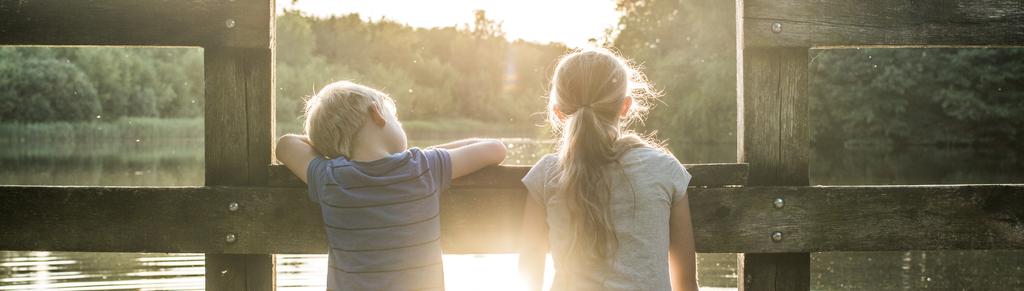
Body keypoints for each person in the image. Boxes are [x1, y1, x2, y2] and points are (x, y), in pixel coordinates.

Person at [276, 81, 507, 290]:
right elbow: (495, 149)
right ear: (377, 114)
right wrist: (427, 154)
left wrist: (330, 143)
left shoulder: (332, 177)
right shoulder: (423, 167)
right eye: (395, 117)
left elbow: (285, 145)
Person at [518, 48, 698, 291]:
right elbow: (685, 285)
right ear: (625, 107)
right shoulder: (664, 170)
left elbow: (528, 278)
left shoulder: (547, 174)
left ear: (558, 112)